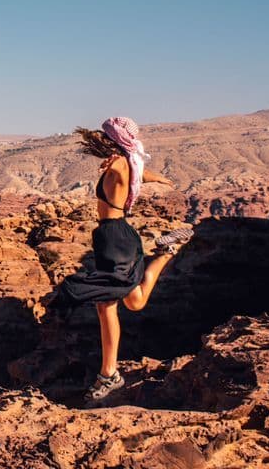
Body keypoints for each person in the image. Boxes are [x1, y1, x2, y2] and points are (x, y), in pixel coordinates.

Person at [57, 117, 176, 401]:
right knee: (135, 302)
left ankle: (109, 374)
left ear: (115, 141)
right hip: (113, 237)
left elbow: (130, 168)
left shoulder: (122, 162)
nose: (100, 140)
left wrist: (119, 162)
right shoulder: (127, 162)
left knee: (105, 305)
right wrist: (157, 177)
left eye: (106, 137)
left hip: (115, 238)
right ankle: (167, 253)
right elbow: (139, 172)